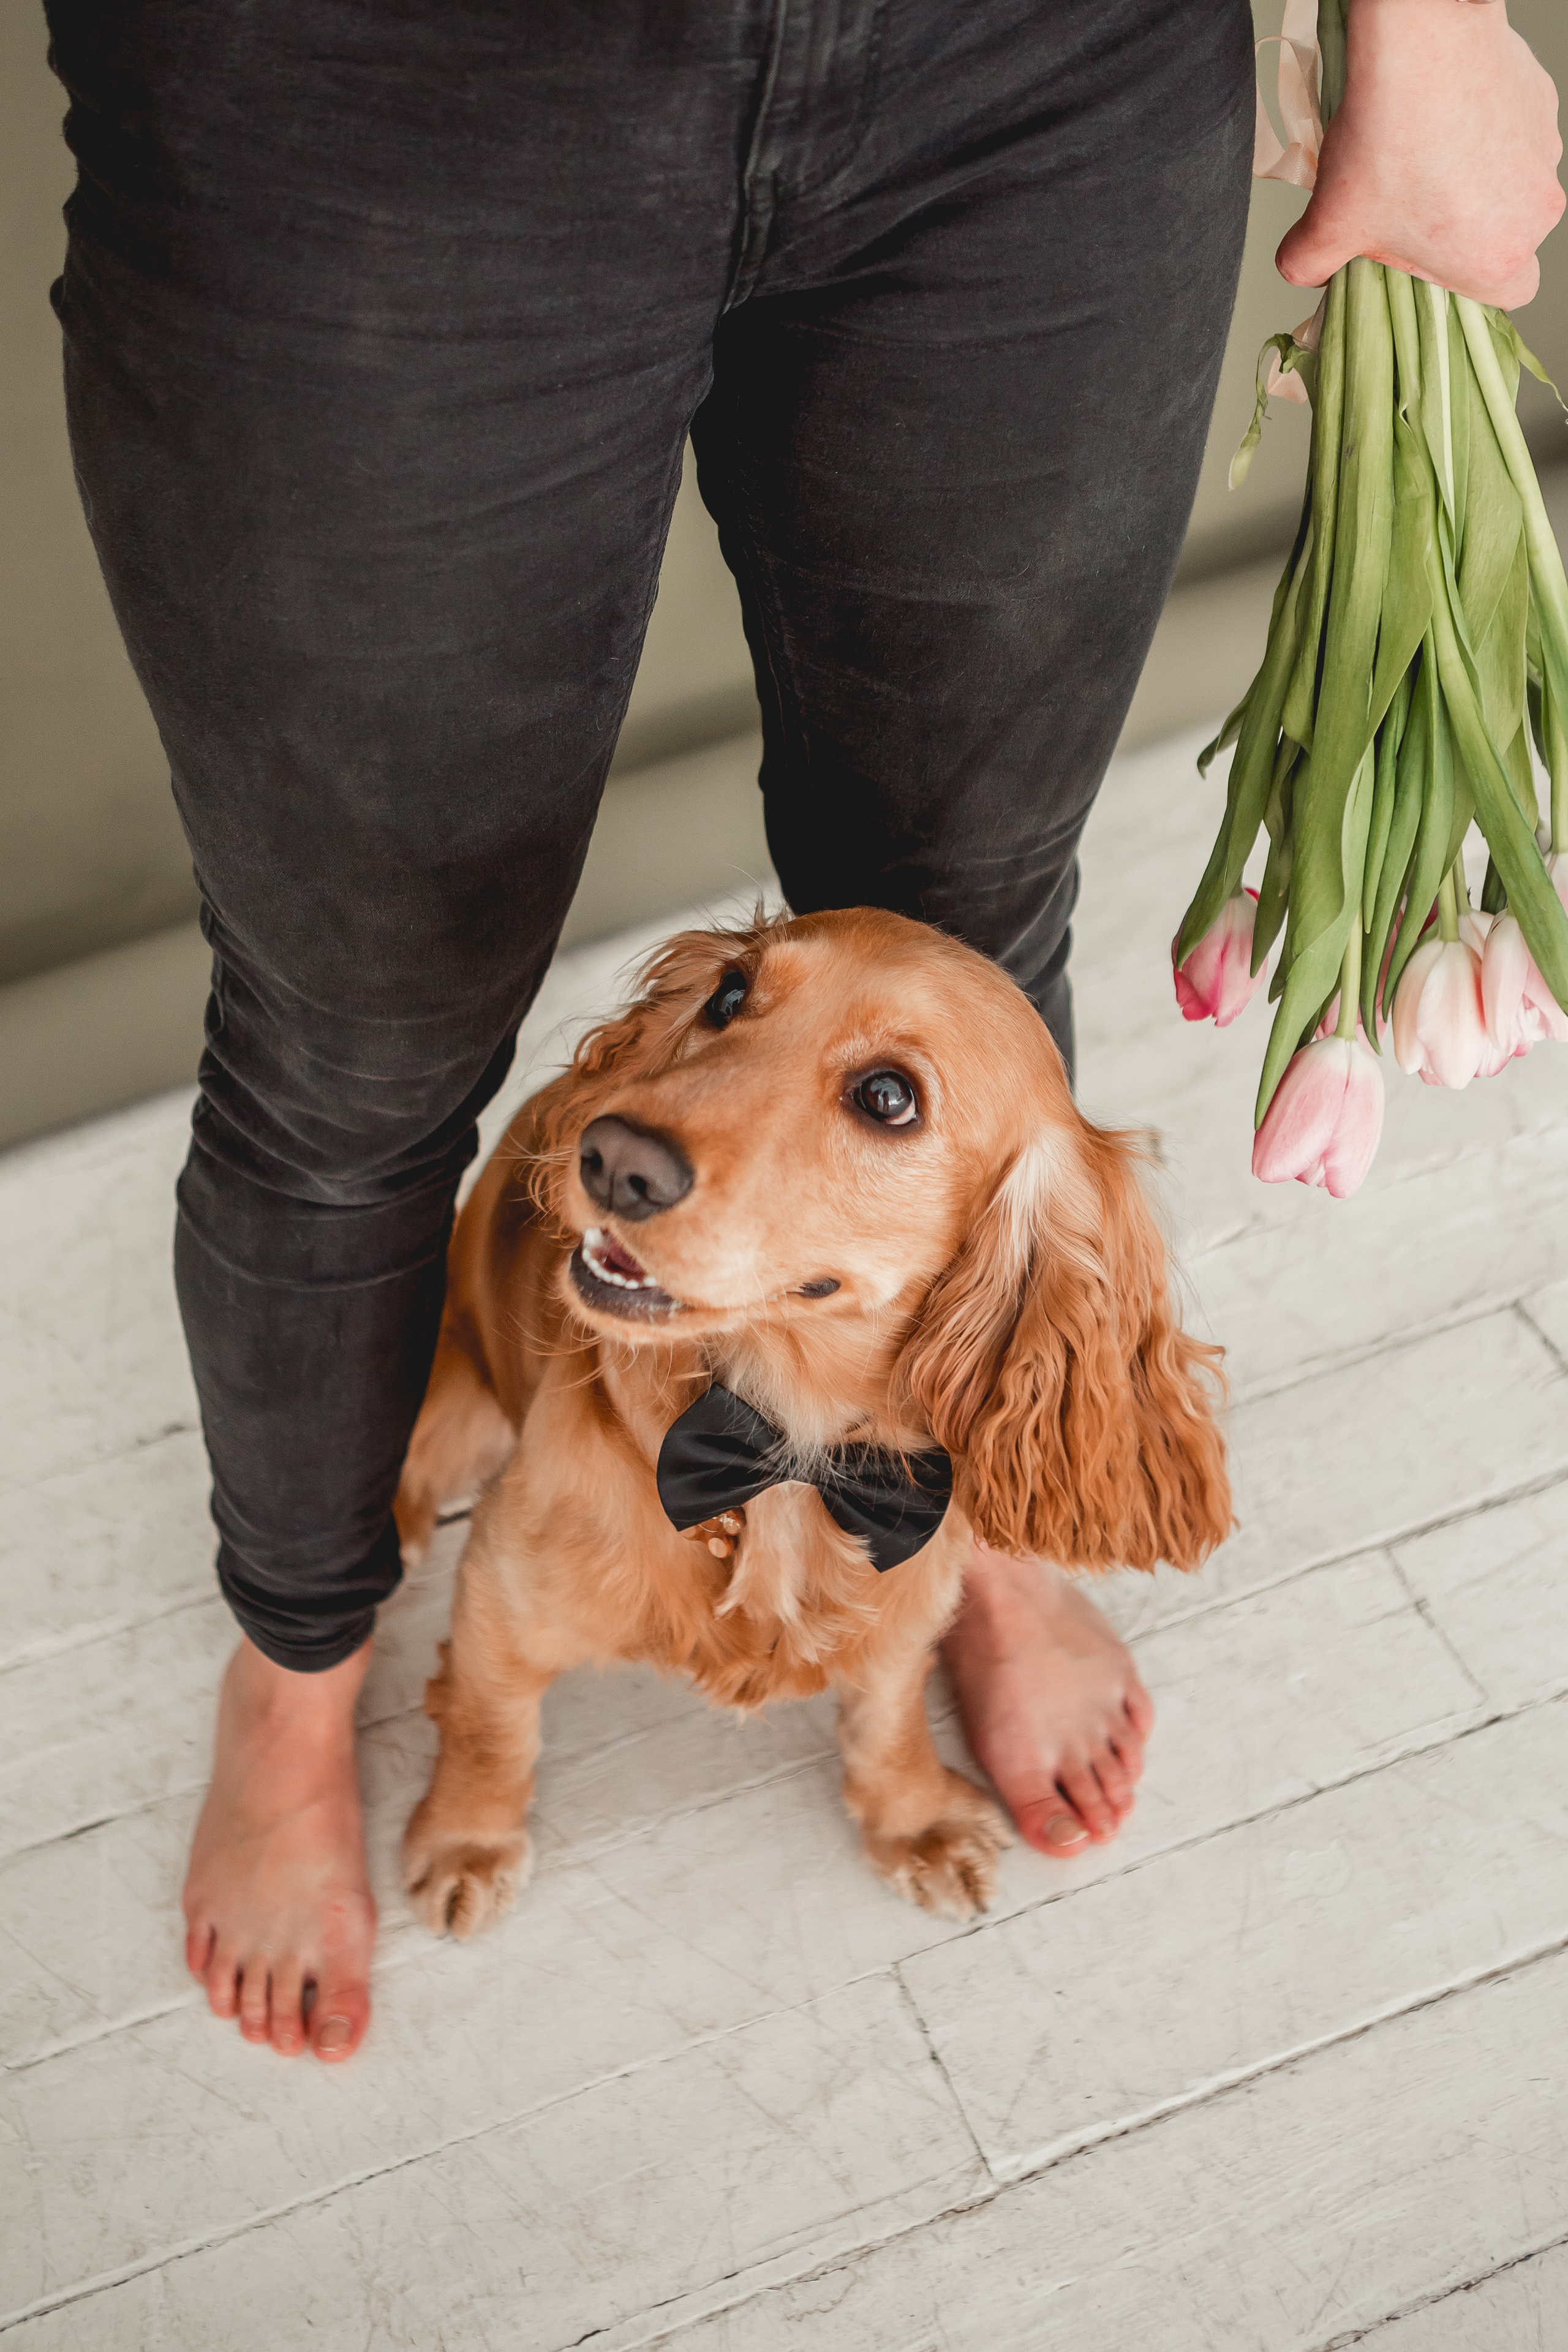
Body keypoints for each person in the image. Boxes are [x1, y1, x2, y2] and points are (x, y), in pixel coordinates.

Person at [43, 0, 1562, 2063]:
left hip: (1046, 57)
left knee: (979, 927)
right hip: (361, 85)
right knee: (351, 1060)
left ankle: (975, 1520)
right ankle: (303, 1673)